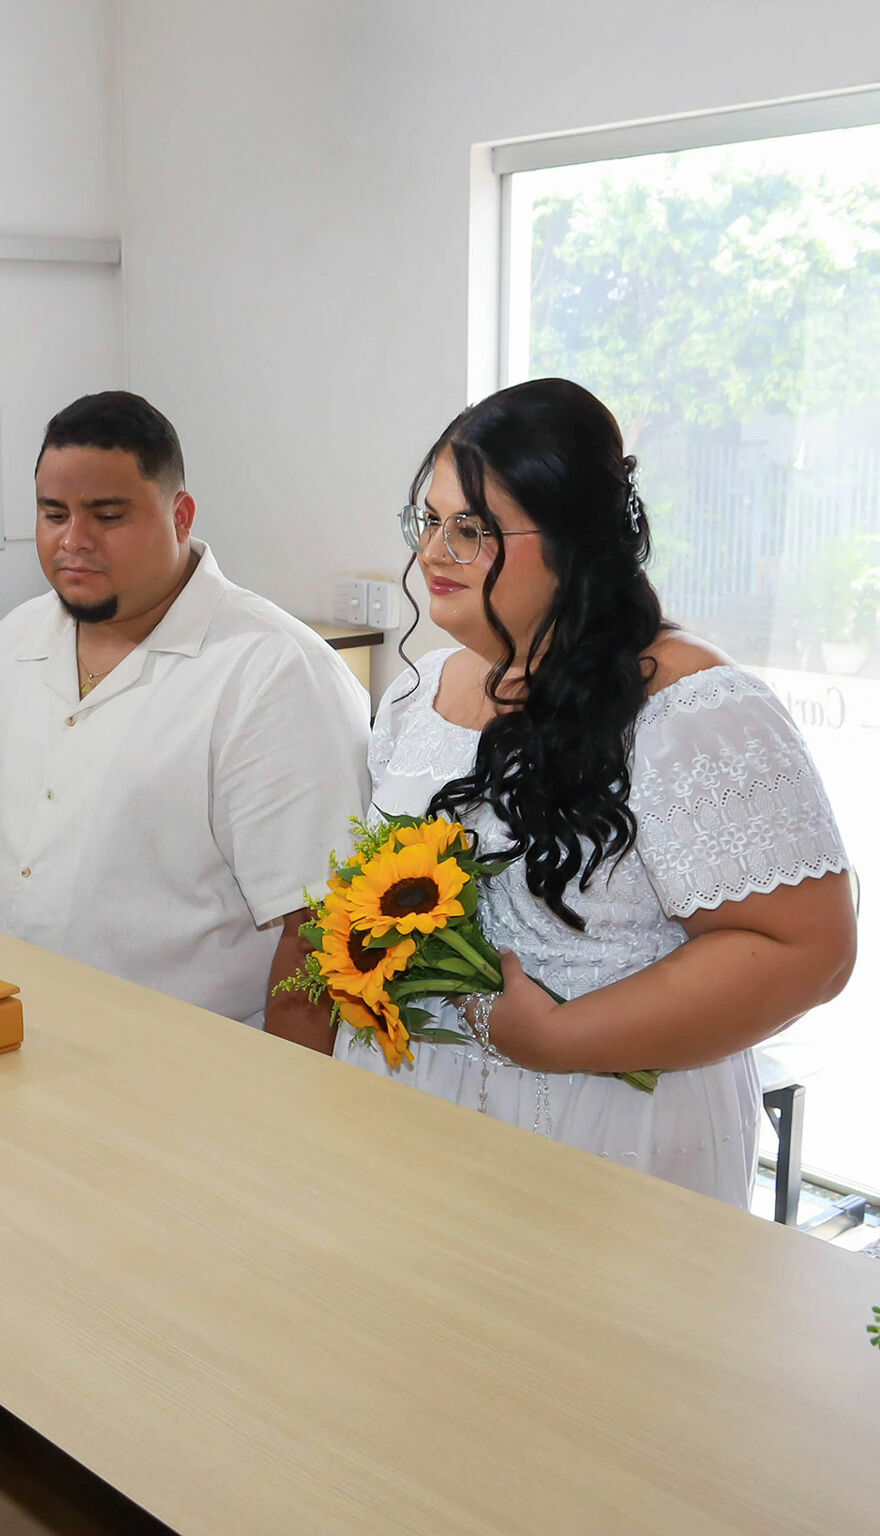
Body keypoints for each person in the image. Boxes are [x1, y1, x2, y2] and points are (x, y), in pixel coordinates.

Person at [288, 377, 855, 1206]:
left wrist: (556, 1036)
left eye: (471, 530)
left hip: (603, 1136)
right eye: (429, 521)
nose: (432, 554)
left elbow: (807, 951)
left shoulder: (692, 710)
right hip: (416, 1122)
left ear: (573, 540)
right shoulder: (420, 692)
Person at [0, 392, 371, 1028]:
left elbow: (317, 927)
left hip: (177, 1062)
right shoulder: (12, 641)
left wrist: (285, 1091)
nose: (73, 540)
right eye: (53, 514)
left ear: (180, 516)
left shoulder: (275, 675)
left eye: (108, 515)